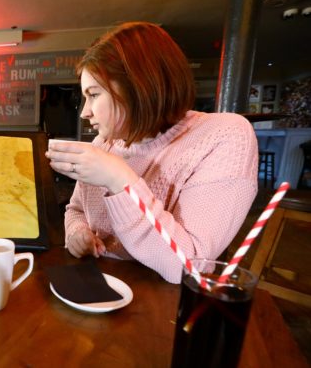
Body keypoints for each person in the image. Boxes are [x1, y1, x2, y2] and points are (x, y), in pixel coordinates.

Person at [46, 22, 258, 283]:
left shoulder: (223, 135)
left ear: (138, 86)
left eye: (94, 94)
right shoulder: (105, 142)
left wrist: (119, 179)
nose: (85, 112)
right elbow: (76, 210)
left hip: (162, 306)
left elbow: (190, 267)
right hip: (98, 290)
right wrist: (78, 234)